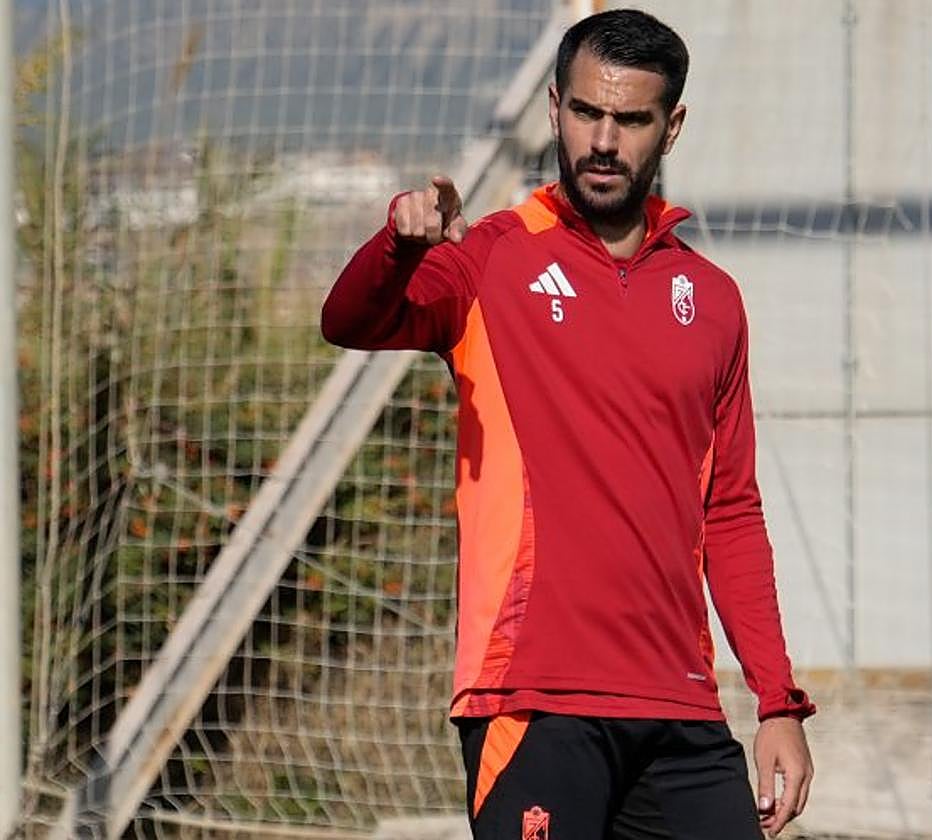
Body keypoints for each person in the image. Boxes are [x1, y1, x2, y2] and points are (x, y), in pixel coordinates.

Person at [322, 9, 815, 839]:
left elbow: (730, 510)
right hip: (532, 704)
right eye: (587, 112)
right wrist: (400, 247)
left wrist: (777, 700)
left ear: (672, 126)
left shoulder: (715, 300)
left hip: (683, 709)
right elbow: (352, 321)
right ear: (555, 108)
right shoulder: (490, 257)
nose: (603, 140)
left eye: (630, 120)